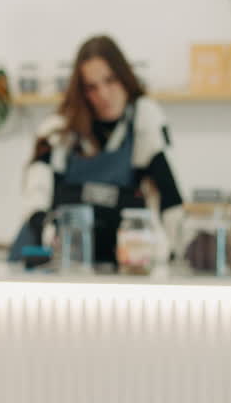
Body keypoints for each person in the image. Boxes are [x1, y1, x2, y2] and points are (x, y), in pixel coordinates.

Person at [11, 35, 184, 267]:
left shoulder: (144, 121)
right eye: (92, 87)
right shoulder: (60, 128)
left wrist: (175, 251)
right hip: (58, 259)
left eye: (110, 80)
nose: (103, 95)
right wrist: (44, 231)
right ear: (81, 91)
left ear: (124, 77)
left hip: (119, 259)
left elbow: (169, 195)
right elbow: (36, 192)